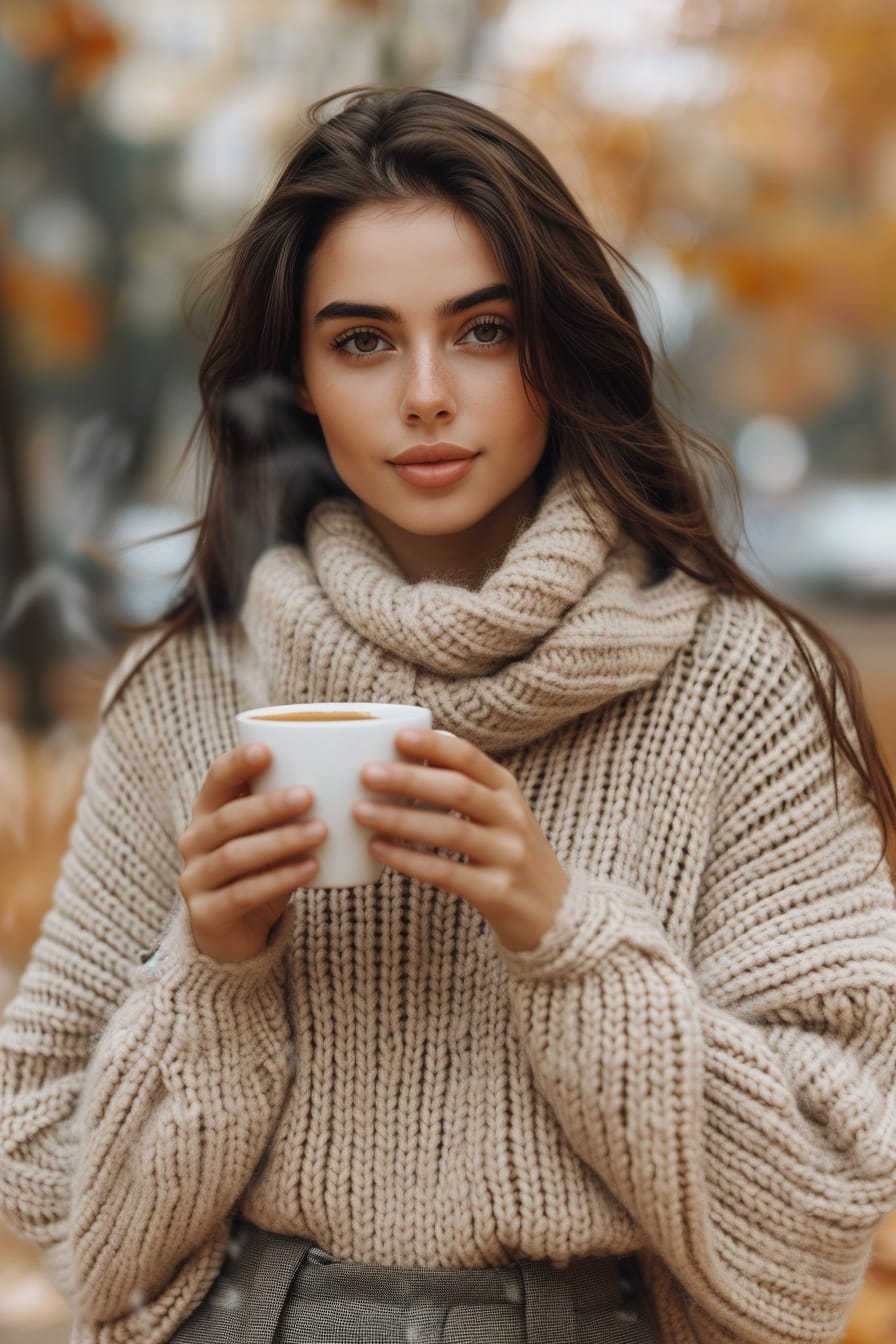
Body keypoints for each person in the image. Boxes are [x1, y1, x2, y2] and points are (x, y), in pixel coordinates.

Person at [1, 83, 895, 1344]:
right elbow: (69, 1212)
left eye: (481, 330)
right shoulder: (190, 692)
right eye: (362, 341)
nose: (425, 393)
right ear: (298, 377)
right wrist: (213, 967)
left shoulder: (737, 685)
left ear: (557, 347)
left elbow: (817, 1224)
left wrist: (564, 933)